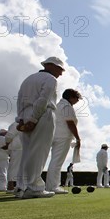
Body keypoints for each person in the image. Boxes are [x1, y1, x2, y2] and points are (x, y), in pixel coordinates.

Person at [15, 56, 65, 198]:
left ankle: (21, 187)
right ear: (51, 66)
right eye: (60, 69)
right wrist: (34, 119)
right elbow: (43, 99)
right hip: (42, 114)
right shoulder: (51, 80)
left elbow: (19, 101)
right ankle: (35, 188)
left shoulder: (28, 79)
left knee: (26, 152)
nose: (61, 73)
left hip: (25, 114)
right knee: (39, 151)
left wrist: (20, 119)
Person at [46, 89, 82, 194]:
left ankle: (50, 186)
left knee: (54, 161)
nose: (77, 101)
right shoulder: (67, 106)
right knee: (57, 162)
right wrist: (78, 138)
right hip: (63, 136)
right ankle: (53, 187)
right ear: (71, 97)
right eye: (76, 98)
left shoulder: (58, 105)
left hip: (55, 135)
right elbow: (70, 123)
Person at [5, 122, 23, 193]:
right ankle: (10, 187)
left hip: (23, 147)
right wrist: (7, 144)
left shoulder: (25, 122)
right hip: (17, 148)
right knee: (14, 166)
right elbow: (9, 135)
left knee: (21, 168)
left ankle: (19, 187)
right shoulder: (15, 124)